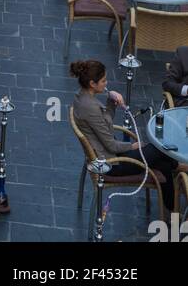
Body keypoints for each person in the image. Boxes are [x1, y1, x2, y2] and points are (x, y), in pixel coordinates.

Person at [70, 58, 178, 212]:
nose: (106, 83)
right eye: (103, 81)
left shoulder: (81, 96)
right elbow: (110, 144)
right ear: (92, 84)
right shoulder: (91, 108)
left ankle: (173, 209)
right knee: (157, 150)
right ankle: (176, 176)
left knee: (164, 164)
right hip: (110, 164)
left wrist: (110, 101)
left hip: (110, 154)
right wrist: (133, 145)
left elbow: (104, 124)